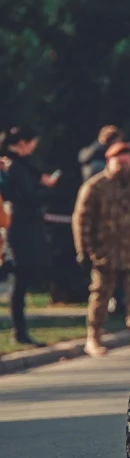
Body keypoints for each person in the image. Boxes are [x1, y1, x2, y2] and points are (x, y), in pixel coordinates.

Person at [72, 141, 130, 357]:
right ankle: (93, 337)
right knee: (99, 298)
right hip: (104, 253)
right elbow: (82, 221)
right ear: (109, 161)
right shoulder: (95, 187)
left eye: (127, 162)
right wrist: (83, 251)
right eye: (120, 162)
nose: (124, 166)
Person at [0, 127, 60, 345]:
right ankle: (20, 331)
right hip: (20, 229)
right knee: (19, 278)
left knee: (22, 278)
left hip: (22, 226)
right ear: (22, 143)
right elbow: (28, 197)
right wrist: (47, 187)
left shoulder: (17, 166)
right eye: (32, 143)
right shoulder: (16, 167)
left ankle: (21, 330)